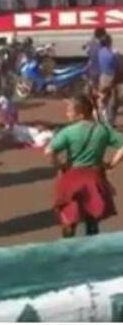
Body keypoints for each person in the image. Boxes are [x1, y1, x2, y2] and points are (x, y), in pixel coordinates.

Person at [46, 95, 123, 237]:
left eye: (70, 111)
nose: (67, 114)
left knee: (69, 221)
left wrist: (59, 165)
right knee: (92, 219)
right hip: (94, 178)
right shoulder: (102, 130)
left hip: (71, 178)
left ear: (80, 115)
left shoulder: (68, 132)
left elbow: (49, 151)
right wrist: (112, 163)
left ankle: (68, 251)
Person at [96, 34, 118, 124]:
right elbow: (116, 67)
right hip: (111, 77)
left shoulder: (100, 52)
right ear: (109, 42)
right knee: (112, 100)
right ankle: (110, 121)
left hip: (103, 76)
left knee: (102, 99)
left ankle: (101, 118)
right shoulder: (111, 54)